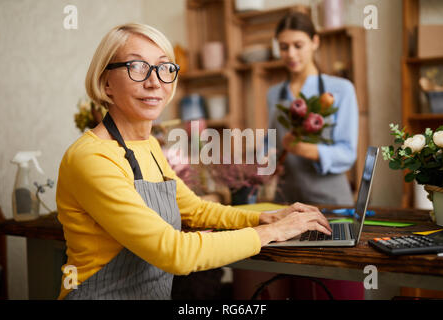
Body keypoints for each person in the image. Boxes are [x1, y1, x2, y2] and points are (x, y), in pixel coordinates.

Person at [56, 22, 332, 300]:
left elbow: (195, 210)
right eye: (137, 67)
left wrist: (264, 217)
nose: (154, 82)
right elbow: (174, 253)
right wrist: (271, 232)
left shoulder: (147, 146)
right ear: (105, 82)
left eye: (164, 68)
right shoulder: (92, 157)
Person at [268, 12, 359, 206]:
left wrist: (302, 149)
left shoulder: (341, 90)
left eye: (298, 46)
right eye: (284, 47)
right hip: (286, 203)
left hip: (330, 202)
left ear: (315, 42)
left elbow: (347, 154)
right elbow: (270, 144)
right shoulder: (274, 94)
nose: (291, 54)